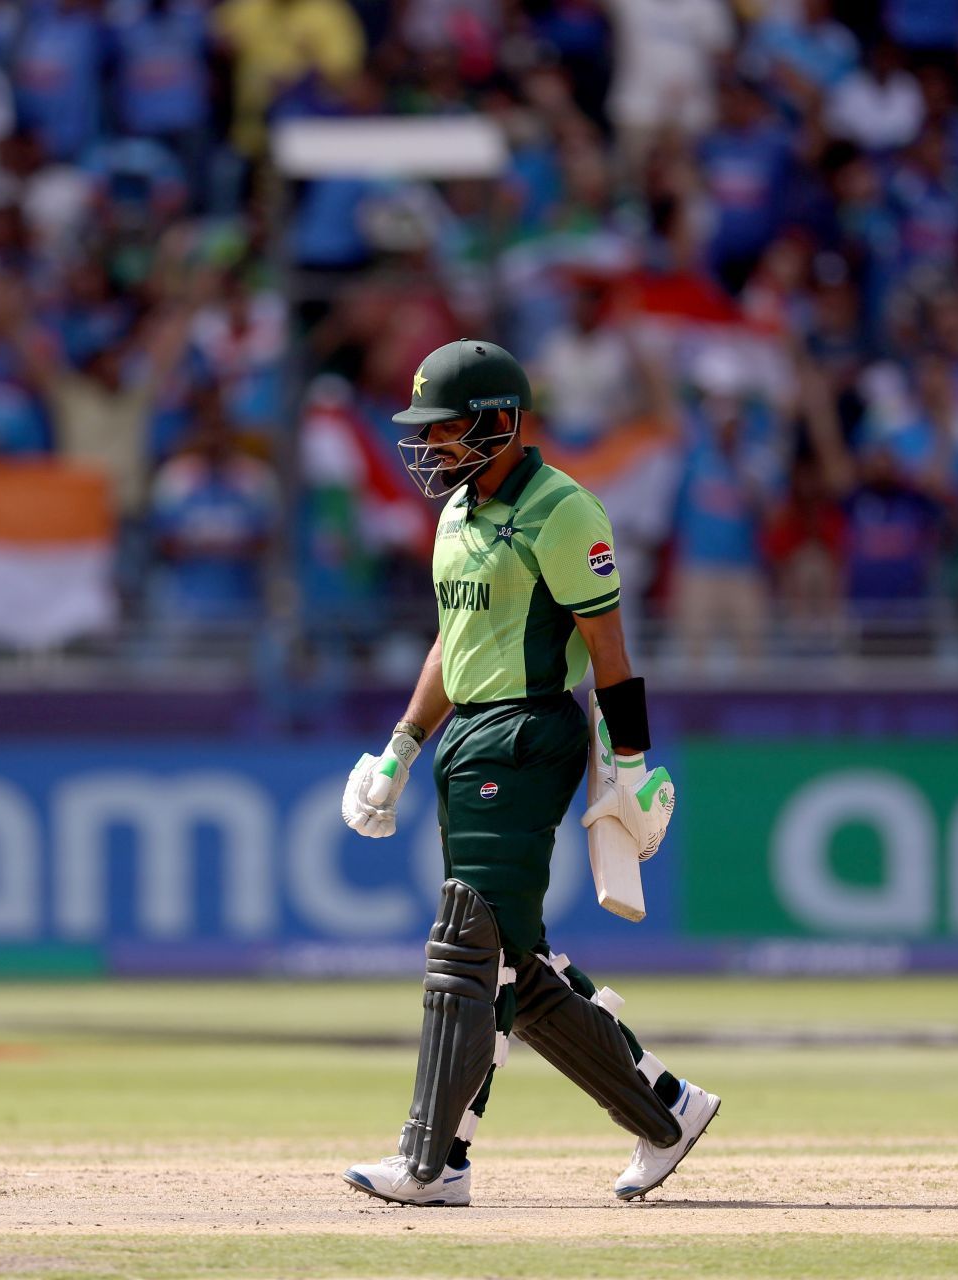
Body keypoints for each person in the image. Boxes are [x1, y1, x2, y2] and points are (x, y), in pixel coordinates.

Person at [338, 339, 714, 1208]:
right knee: (513, 958)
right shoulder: (456, 513)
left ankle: (434, 1162)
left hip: (530, 733)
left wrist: (632, 763)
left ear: (500, 422)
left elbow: (608, 651)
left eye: (445, 428)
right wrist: (400, 746)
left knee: (468, 939)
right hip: (467, 737)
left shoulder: (564, 511)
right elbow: (451, 642)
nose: (430, 447)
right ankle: (666, 1110)